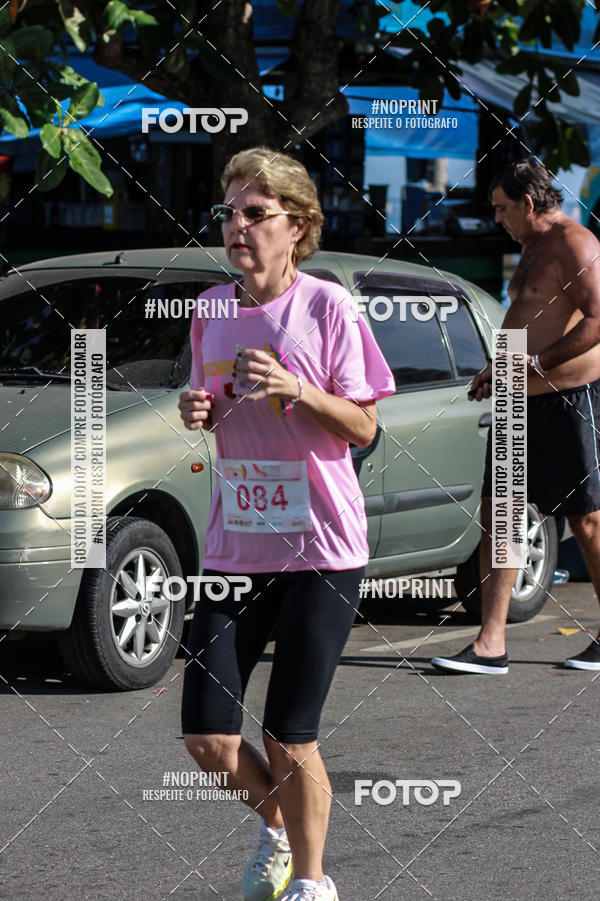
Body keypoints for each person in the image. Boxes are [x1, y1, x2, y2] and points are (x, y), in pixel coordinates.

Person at [178, 146, 395, 901]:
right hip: (235, 541)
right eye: (228, 213)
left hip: (321, 547)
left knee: (288, 733)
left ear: (297, 225)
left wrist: (298, 388)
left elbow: (364, 427)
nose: (236, 226)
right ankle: (279, 824)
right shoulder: (210, 308)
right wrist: (196, 410)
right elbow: (209, 403)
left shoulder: (328, 305)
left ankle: (311, 879)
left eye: (255, 213)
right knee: (207, 736)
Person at [432, 157, 600, 675]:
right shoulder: (530, 244)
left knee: (587, 520)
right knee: (499, 515)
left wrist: (536, 363)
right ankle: (491, 642)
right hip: (514, 397)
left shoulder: (576, 244)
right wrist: (498, 369)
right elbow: (532, 316)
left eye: (502, 210)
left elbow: (598, 318)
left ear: (528, 204)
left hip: (567, 397)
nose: (496, 219)